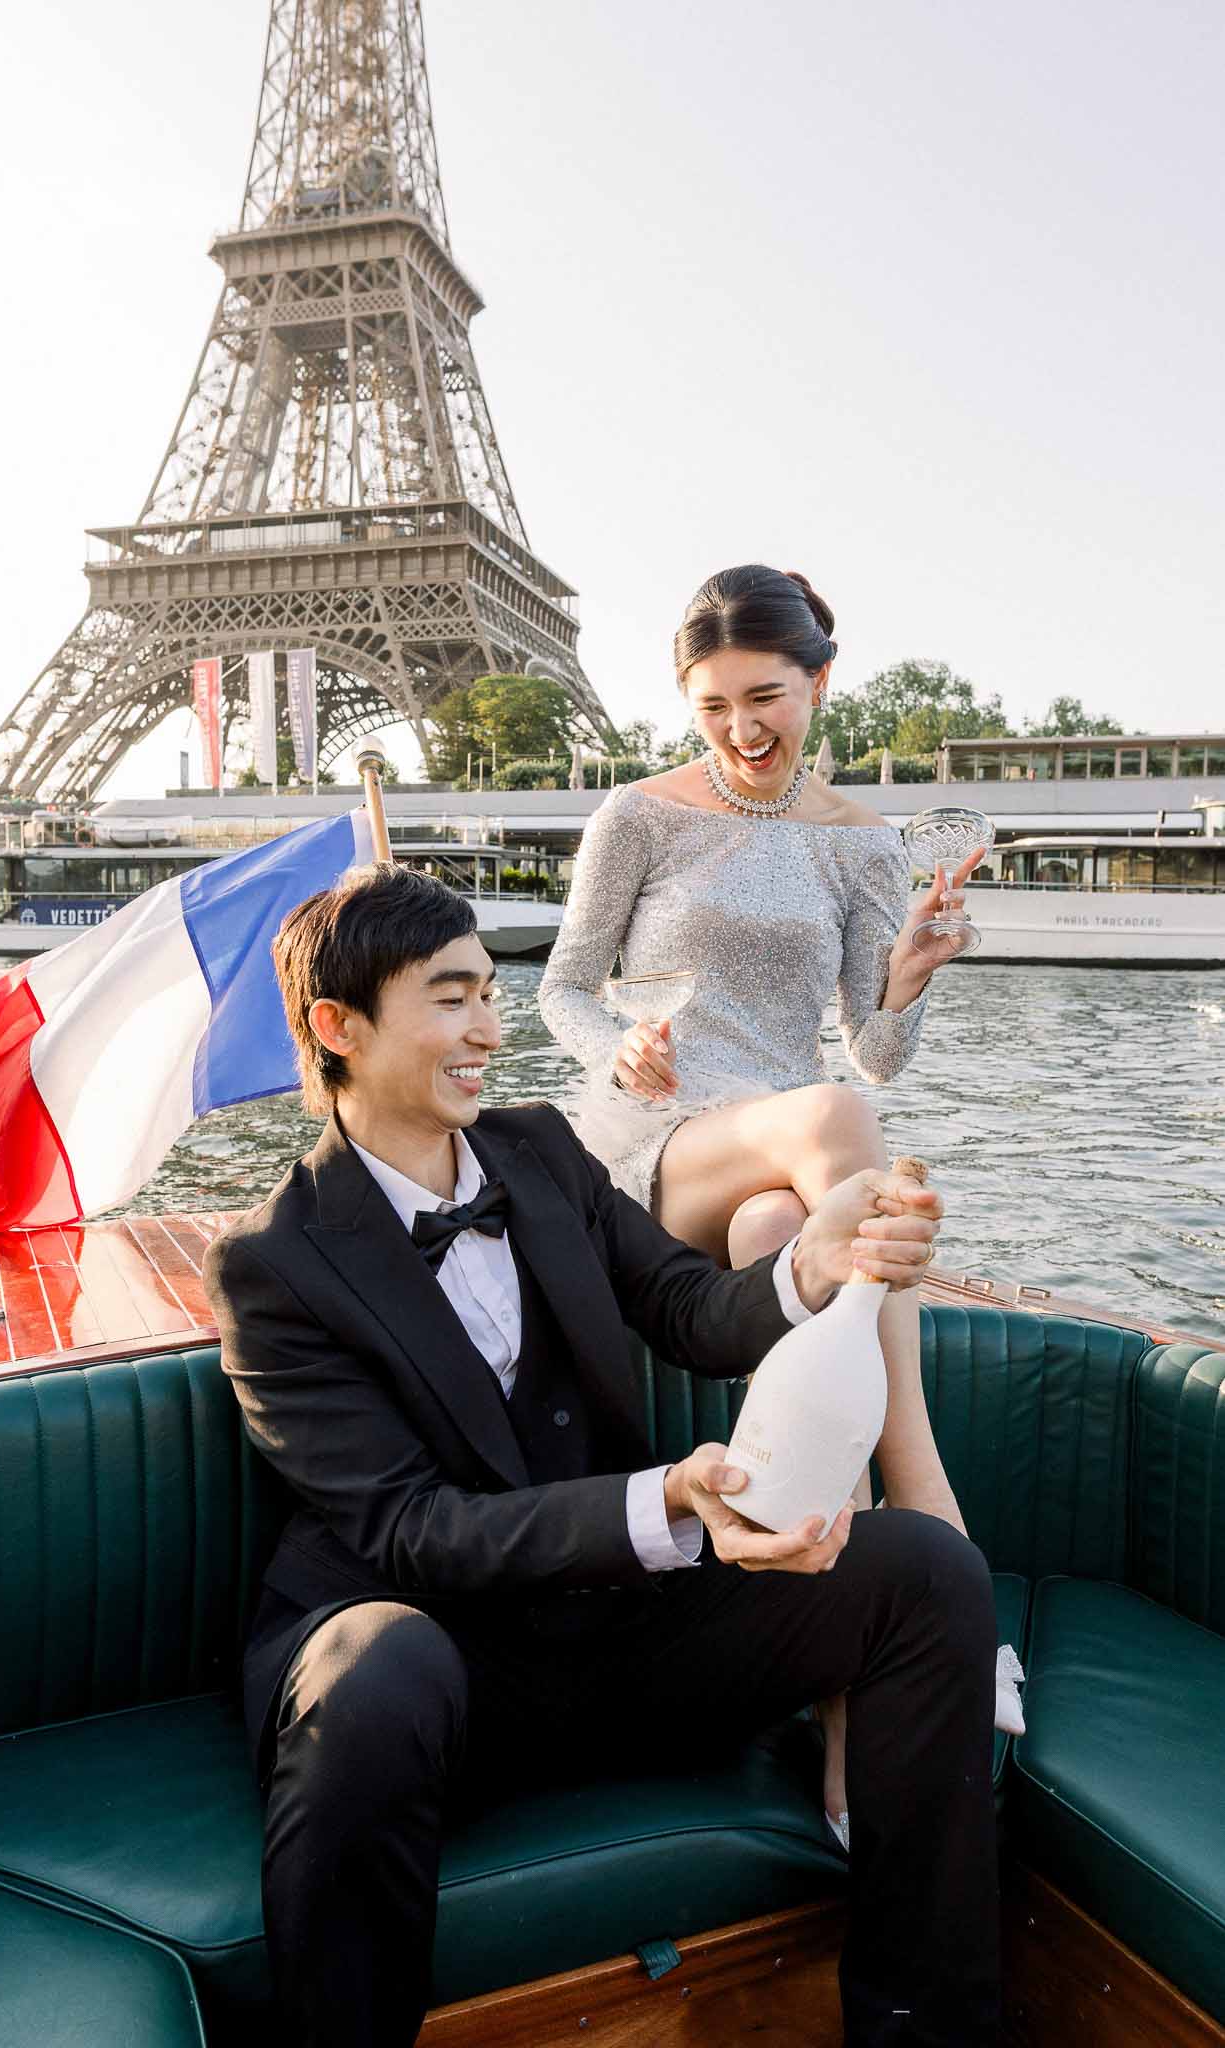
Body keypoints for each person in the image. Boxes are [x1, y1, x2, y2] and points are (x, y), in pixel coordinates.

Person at [203, 862, 999, 2048]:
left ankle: (918, 2025)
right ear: (339, 1026)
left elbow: (684, 1306)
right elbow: (409, 1531)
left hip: (618, 1627)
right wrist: (671, 1499)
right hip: (441, 1660)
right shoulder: (271, 1263)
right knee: (374, 1668)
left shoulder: (543, 1153)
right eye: (451, 997)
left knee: (929, 1575)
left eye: (489, 991)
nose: (489, 1026)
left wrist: (816, 1263)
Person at [537, 564, 1018, 1837]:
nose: (742, 729)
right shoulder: (636, 815)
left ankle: (845, 1703)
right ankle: (933, 1514)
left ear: (819, 682)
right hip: (652, 1144)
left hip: (782, 1176)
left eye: (765, 697)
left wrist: (908, 973)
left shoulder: (862, 842)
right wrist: (615, 1048)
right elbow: (563, 987)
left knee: (791, 1226)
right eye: (713, 706)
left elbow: (875, 1050)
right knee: (837, 1139)